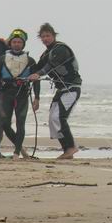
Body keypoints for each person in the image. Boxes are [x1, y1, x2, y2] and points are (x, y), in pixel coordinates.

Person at [28, 23, 81, 160]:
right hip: (61, 90)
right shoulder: (45, 54)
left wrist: (38, 74)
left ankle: (71, 147)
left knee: (59, 117)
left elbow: (49, 67)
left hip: (71, 88)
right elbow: (36, 69)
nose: (45, 39)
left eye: (48, 36)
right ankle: (67, 150)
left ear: (53, 36)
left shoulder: (61, 49)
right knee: (53, 119)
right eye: (43, 36)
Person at [0, 29, 40, 159]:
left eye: (19, 42)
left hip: (22, 93)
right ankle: (20, 148)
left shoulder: (30, 60)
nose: (17, 44)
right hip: (6, 93)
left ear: (23, 44)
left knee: (20, 123)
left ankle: (16, 152)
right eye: (14, 42)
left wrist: (37, 98)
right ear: (10, 43)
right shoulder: (2, 59)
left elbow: (36, 80)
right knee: (4, 123)